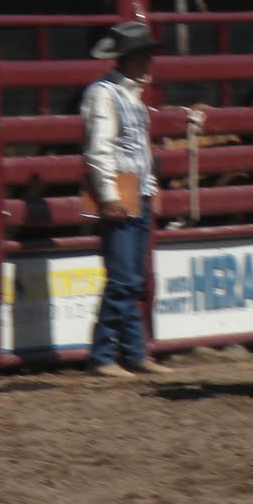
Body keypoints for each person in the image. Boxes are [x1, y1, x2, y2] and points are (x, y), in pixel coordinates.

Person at [81, 21, 169, 378]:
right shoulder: (105, 94)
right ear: (129, 58)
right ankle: (103, 355)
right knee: (123, 277)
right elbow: (98, 149)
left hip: (135, 190)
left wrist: (152, 185)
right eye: (143, 56)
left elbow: (137, 150)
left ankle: (132, 352)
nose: (149, 62)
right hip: (121, 192)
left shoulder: (127, 95)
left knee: (131, 276)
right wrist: (108, 196)